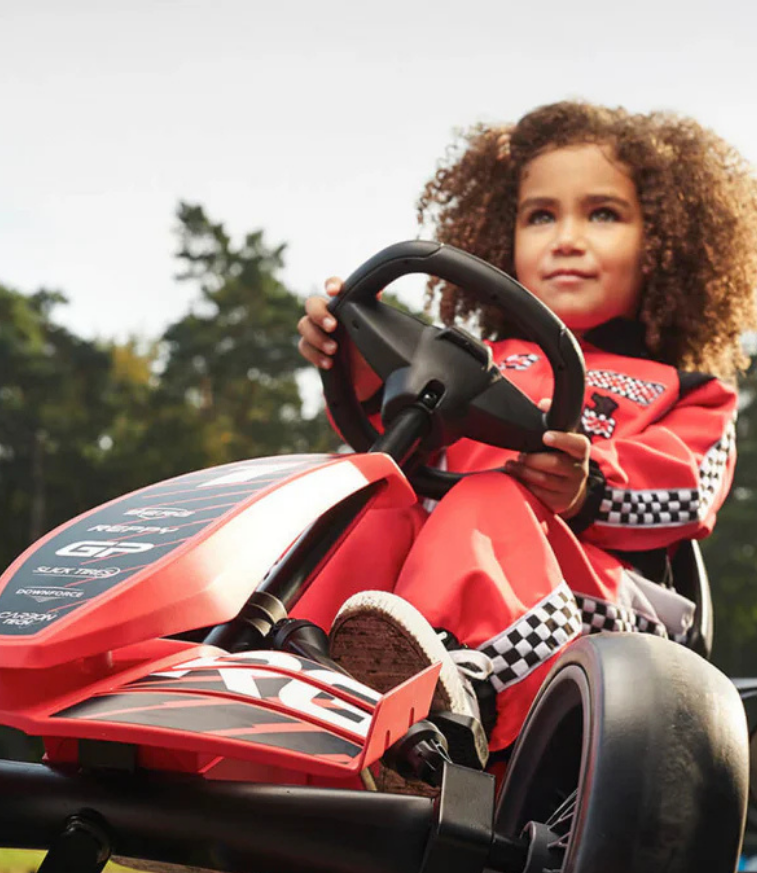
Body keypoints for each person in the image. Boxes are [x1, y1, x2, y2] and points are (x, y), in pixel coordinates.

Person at [293, 101, 757, 773]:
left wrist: (590, 486)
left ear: (667, 244)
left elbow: (689, 488)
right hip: (429, 586)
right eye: (541, 215)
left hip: (611, 631)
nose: (566, 238)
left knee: (488, 500)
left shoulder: (686, 389)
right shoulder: (476, 360)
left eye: (602, 214)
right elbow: (409, 451)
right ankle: (280, 668)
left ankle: (456, 700)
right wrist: (361, 367)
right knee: (364, 506)